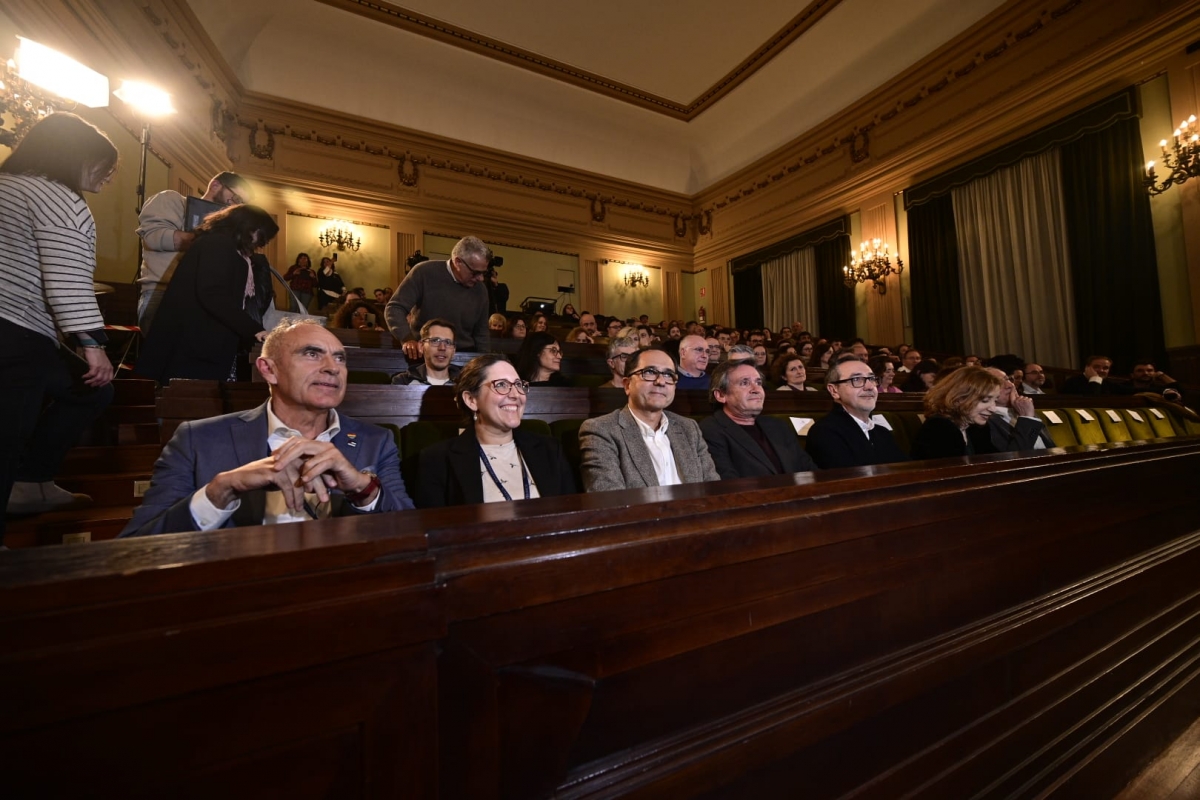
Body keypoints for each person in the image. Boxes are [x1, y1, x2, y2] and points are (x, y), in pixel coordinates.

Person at [120, 320, 413, 537]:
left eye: (339, 358)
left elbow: (410, 534)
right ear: (268, 369)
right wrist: (220, 491)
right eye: (312, 354)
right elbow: (135, 546)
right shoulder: (198, 439)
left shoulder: (377, 440)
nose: (332, 367)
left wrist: (364, 489)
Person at [1, 112, 119, 521]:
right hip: (17, 330)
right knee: (8, 435)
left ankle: (33, 482)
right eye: (106, 165)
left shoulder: (8, 187)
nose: (109, 176)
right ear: (75, 155)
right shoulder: (59, 198)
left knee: (93, 392)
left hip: (17, 330)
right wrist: (92, 344)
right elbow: (66, 278)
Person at [136, 204, 278, 384]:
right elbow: (213, 293)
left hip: (200, 342)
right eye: (262, 236)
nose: (261, 244)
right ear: (249, 227)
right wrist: (253, 329)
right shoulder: (217, 244)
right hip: (195, 345)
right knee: (188, 403)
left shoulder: (219, 244)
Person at [415, 354, 576, 507]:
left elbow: (572, 517)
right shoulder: (437, 460)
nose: (515, 394)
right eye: (501, 385)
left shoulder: (550, 449)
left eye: (518, 384)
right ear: (471, 400)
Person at [579, 348, 719, 491]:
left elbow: (713, 489)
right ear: (627, 385)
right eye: (650, 372)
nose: (661, 381)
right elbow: (609, 500)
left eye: (668, 374)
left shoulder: (689, 428)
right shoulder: (601, 430)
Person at [136, 170, 250, 332]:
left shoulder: (226, 228)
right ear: (216, 185)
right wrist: (212, 241)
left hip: (202, 299)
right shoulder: (172, 200)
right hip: (163, 293)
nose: (234, 207)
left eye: (240, 205)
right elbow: (153, 237)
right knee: (163, 355)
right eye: (235, 199)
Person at [701, 361, 817, 479]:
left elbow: (808, 469)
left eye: (758, 382)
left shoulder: (778, 426)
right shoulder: (710, 430)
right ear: (721, 395)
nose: (756, 389)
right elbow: (728, 482)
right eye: (744, 383)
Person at [385, 236, 491, 358]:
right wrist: (407, 338)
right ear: (458, 262)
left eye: (483, 273)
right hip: (424, 354)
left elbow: (481, 332)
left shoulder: (480, 289)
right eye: (475, 272)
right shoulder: (424, 272)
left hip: (463, 357)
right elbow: (394, 308)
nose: (481, 278)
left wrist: (485, 362)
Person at [805, 356, 909, 469]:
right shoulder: (824, 432)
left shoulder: (882, 433)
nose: (870, 386)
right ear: (834, 390)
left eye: (872, 379)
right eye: (856, 379)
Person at [909, 366, 1003, 460]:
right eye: (985, 400)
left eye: (995, 400)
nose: (993, 409)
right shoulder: (939, 427)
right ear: (959, 398)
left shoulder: (976, 427)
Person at [977, 367, 1055, 451]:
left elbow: (1049, 446)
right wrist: (1027, 417)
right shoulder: (984, 420)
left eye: (1008, 379)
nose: (1010, 385)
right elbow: (1014, 458)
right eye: (999, 382)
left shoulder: (1024, 408)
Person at [392, 319, 461, 386]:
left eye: (448, 342)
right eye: (435, 341)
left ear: (453, 350)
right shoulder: (403, 382)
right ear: (421, 346)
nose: (442, 348)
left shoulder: (465, 383)